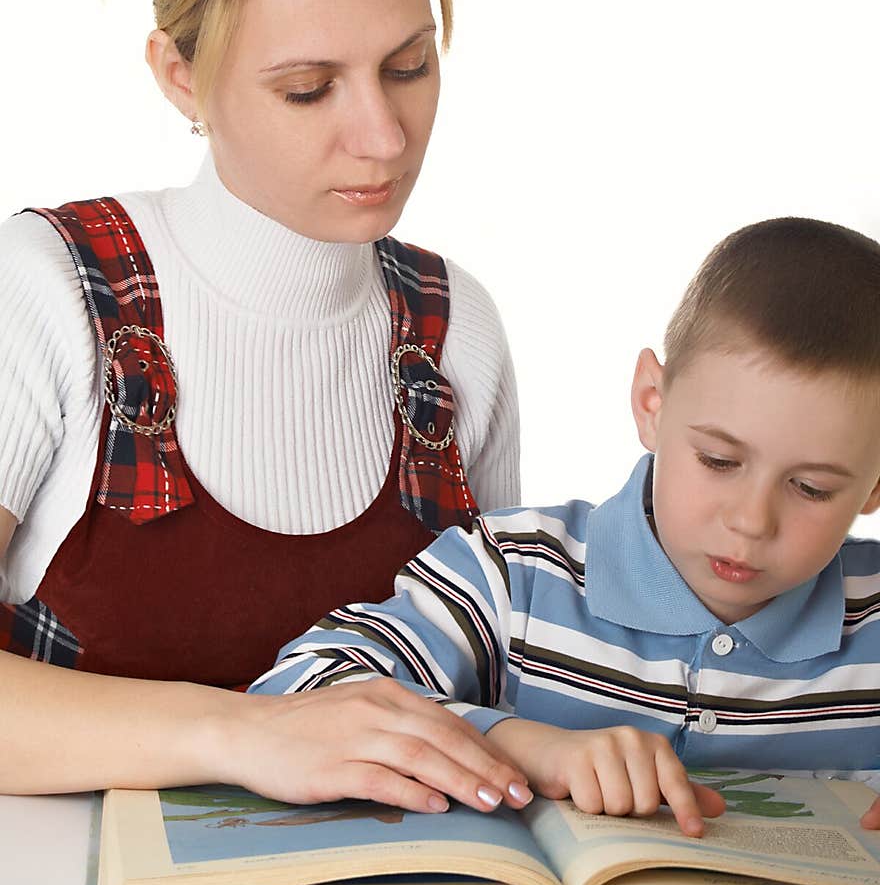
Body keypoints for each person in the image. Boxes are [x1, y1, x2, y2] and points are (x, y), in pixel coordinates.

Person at [0, 0, 533, 816]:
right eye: (307, 88)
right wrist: (250, 731)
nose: (383, 136)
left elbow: (502, 673)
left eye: (409, 67)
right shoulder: (47, 293)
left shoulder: (458, 331)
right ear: (179, 75)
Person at [250, 216, 880, 835]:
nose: (751, 520)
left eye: (811, 489)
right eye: (718, 460)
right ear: (651, 405)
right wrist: (522, 745)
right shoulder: (512, 572)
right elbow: (300, 691)